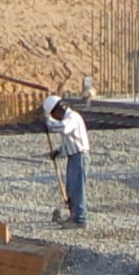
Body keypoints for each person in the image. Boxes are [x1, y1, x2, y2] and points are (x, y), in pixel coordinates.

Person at [43, 94, 90, 227]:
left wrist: (48, 122)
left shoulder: (72, 118)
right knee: (71, 188)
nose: (55, 118)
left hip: (79, 157)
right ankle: (73, 215)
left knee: (77, 188)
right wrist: (58, 152)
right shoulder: (69, 118)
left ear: (58, 110)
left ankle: (80, 219)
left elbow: (63, 128)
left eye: (54, 115)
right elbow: (68, 142)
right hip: (74, 156)